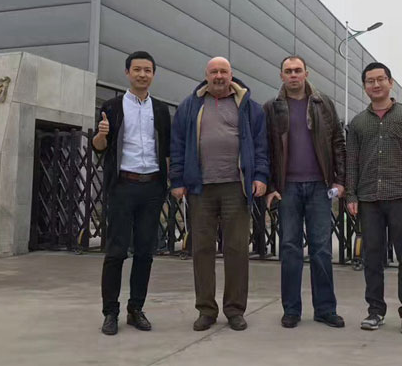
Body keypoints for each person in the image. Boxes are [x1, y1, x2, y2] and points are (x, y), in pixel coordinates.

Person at [169, 57, 270, 332]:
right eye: (214, 71)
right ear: (206, 75)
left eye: (223, 71)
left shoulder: (249, 107)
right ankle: (206, 310)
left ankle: (235, 310)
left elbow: (261, 146)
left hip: (236, 187)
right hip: (199, 188)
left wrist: (260, 176)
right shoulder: (190, 106)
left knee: (236, 249)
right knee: (202, 250)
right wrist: (177, 179)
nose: (219, 76)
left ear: (231, 75)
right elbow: (177, 145)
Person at [345, 62, 402, 333]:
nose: (376, 84)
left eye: (380, 79)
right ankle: (375, 310)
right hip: (368, 198)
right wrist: (351, 194)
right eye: (370, 81)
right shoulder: (358, 123)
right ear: (364, 86)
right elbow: (352, 163)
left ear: (390, 82)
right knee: (372, 257)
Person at [263, 56, 346, 329]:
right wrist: (271, 187)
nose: (293, 75)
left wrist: (340, 181)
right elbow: (265, 149)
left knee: (322, 249)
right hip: (287, 189)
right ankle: (291, 310)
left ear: (306, 73)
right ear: (281, 76)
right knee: (289, 249)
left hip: (320, 187)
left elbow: (337, 142)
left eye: (298, 70)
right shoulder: (271, 108)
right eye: (288, 71)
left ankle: (325, 309)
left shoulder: (323, 104)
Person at [93, 51, 171, 336]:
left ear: (153, 74)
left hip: (152, 187)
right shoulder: (112, 107)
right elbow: (99, 147)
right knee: (116, 251)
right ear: (127, 72)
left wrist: (170, 183)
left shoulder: (161, 110)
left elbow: (167, 149)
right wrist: (102, 134)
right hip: (123, 186)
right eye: (137, 69)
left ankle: (136, 308)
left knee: (145, 252)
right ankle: (110, 312)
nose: (142, 74)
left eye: (147, 70)